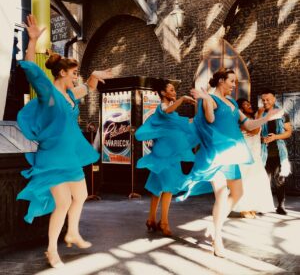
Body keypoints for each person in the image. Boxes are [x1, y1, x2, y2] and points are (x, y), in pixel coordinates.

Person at [16, 15, 113, 268]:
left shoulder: (71, 94)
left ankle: (71, 233)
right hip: (53, 157)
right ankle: (51, 250)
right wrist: (33, 40)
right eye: (73, 73)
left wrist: (94, 74)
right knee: (63, 202)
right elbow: (30, 69)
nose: (75, 77)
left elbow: (88, 87)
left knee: (80, 196)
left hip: (70, 156)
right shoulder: (49, 94)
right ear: (61, 73)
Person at [177, 68, 281, 257]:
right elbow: (210, 118)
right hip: (216, 155)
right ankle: (217, 239)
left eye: (235, 82)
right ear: (221, 81)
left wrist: (266, 118)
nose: (234, 85)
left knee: (238, 193)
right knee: (222, 194)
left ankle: (215, 223)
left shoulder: (232, 102)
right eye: (231, 81)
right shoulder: (211, 100)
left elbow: (248, 125)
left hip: (231, 155)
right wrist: (205, 98)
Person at [135, 81, 200, 236]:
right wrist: (183, 99)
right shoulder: (162, 108)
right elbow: (167, 109)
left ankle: (151, 219)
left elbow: (187, 123)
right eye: (171, 90)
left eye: (174, 90)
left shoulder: (173, 115)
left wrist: (199, 111)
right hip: (164, 155)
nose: (174, 92)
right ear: (163, 93)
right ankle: (163, 222)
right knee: (169, 187)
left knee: (158, 187)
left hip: (171, 155)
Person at [233, 98, 274, 218]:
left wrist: (263, 139)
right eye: (246, 104)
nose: (250, 105)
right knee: (246, 181)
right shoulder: (241, 120)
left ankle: (252, 206)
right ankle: (243, 208)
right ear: (240, 109)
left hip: (256, 154)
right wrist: (260, 114)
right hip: (245, 155)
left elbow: (256, 135)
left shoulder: (253, 118)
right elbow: (254, 130)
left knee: (256, 181)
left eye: (249, 103)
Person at [260, 89, 292, 215]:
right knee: (264, 181)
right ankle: (264, 206)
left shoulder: (282, 113)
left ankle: (281, 206)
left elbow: (289, 132)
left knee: (280, 180)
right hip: (263, 153)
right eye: (263, 100)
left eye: (268, 99)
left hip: (278, 153)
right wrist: (261, 138)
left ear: (274, 99)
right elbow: (254, 130)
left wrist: (275, 137)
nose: (265, 102)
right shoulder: (261, 113)